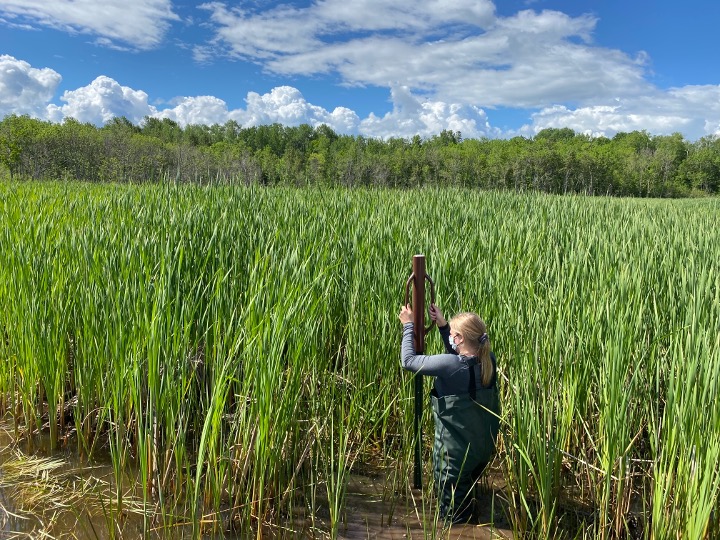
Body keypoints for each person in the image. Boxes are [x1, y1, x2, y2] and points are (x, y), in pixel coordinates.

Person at [398, 302, 500, 525]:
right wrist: (444, 327)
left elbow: (408, 362)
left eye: (454, 335)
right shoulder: (488, 361)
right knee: (467, 502)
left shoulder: (450, 365)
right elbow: (459, 356)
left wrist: (408, 326)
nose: (451, 339)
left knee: (453, 522)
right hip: (481, 452)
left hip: (455, 460)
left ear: (461, 339)